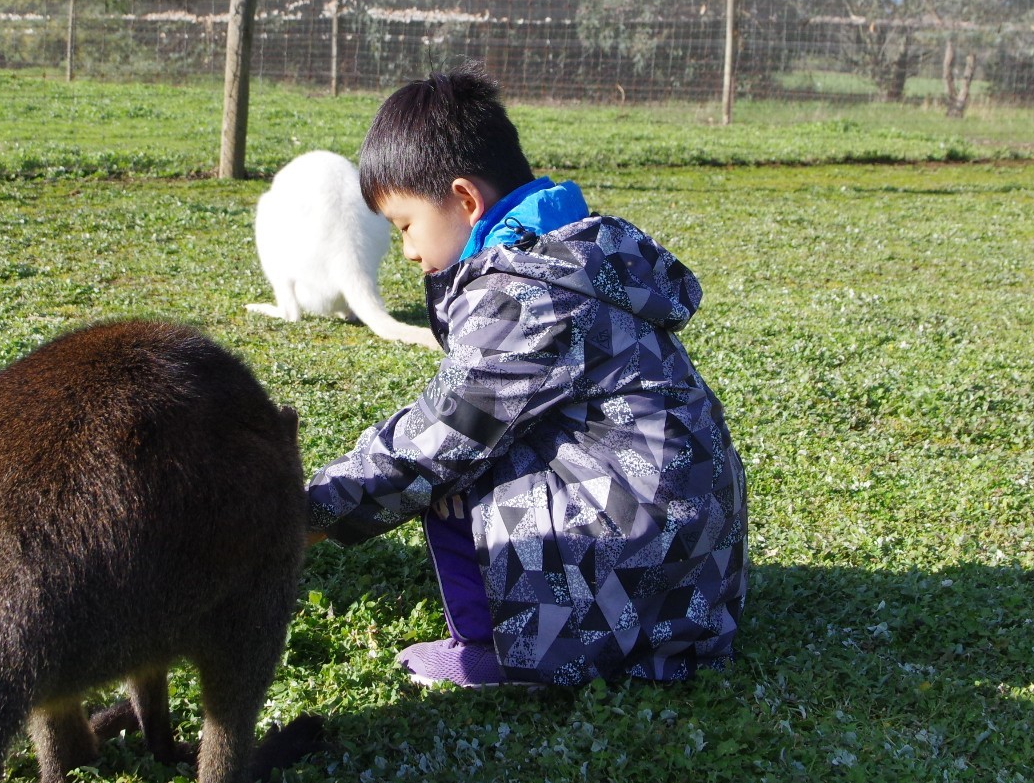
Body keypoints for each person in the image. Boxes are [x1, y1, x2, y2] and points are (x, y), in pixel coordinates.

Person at [304, 68, 747, 687]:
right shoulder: (566, 254)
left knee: (458, 465)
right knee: (481, 445)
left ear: (464, 200)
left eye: (406, 225)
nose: (406, 251)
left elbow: (438, 437)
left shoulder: (524, 294)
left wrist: (304, 514)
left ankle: (504, 650)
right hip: (690, 563)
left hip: (645, 564)